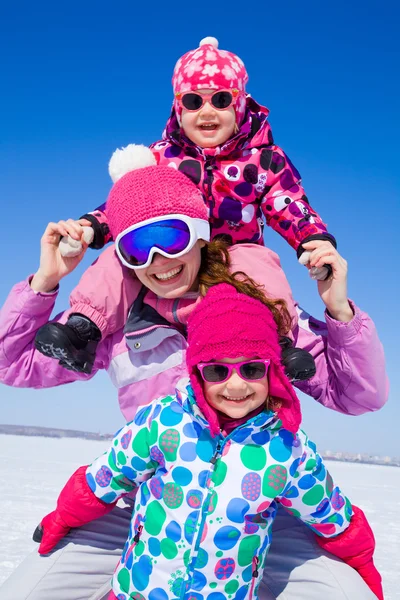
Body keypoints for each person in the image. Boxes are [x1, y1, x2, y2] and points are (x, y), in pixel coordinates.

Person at [0, 155, 387, 600]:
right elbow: (14, 364)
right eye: (138, 248)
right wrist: (45, 283)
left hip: (257, 512)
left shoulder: (259, 316)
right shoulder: (118, 325)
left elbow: (360, 396)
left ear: (201, 235)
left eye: (170, 237)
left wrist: (339, 311)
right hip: (141, 507)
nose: (159, 260)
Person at [33, 282, 383, 600]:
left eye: (251, 369)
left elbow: (331, 514)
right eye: (217, 370)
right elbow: (105, 478)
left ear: (272, 370)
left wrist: (363, 564)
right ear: (197, 373)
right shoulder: (165, 421)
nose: (235, 386)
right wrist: (63, 518)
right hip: (136, 593)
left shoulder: (286, 448)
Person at [34, 36, 339, 374]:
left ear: (239, 105)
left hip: (233, 254)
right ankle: (83, 329)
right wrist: (92, 226)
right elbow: (128, 206)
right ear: (179, 108)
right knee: (121, 258)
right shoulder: (162, 157)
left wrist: (313, 238)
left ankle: (276, 340)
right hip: (170, 250)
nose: (206, 112)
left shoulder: (262, 160)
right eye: (194, 101)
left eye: (221, 100)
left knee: (262, 264)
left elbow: (288, 201)